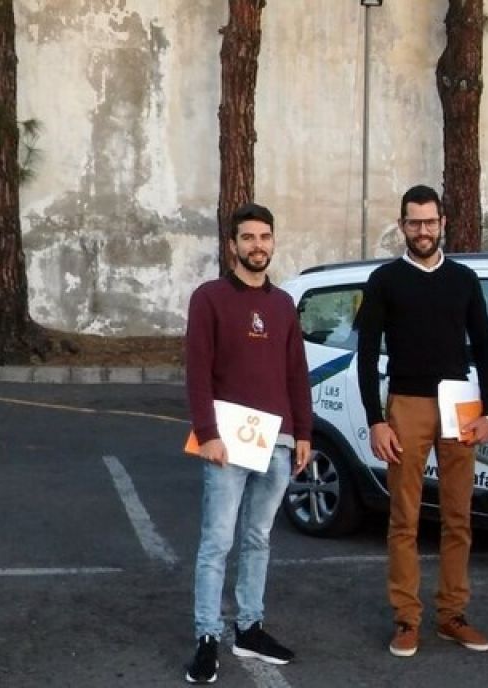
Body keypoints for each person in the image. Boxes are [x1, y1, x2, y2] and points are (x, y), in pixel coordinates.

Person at [355, 184, 488, 658]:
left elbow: (485, 346)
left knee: (458, 517)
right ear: (402, 225)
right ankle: (406, 619)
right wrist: (376, 420)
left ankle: (452, 615)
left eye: (430, 222)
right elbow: (366, 352)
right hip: (407, 404)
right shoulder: (385, 280)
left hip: (460, 406)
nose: (423, 230)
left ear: (443, 224)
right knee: (405, 518)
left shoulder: (464, 279)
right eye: (414, 222)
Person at [183, 203, 313, 684]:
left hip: (277, 441)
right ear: (232, 245)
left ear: (273, 242)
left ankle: (249, 627)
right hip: (227, 441)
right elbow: (197, 370)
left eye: (265, 237)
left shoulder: (283, 305)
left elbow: (296, 372)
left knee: (259, 538)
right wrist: (207, 433)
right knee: (217, 542)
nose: (258, 245)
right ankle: (206, 637)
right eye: (248, 237)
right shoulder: (209, 298)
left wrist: (304, 433)